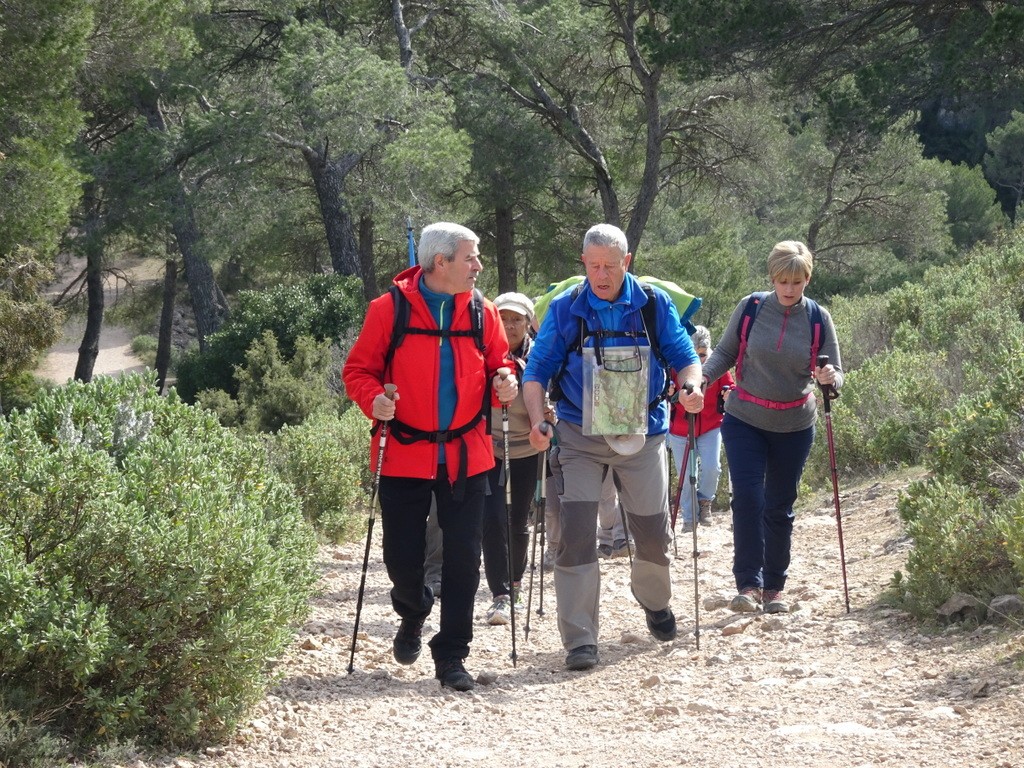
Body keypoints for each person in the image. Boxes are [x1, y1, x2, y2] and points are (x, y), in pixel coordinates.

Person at [342, 222, 518, 692]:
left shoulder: (484, 313)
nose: (479, 266)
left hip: (467, 453)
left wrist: (506, 378)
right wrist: (374, 399)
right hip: (402, 451)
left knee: (464, 558)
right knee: (401, 558)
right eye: (471, 257)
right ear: (440, 262)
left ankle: (452, 657)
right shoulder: (388, 309)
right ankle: (414, 608)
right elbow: (358, 369)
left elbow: (501, 360)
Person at [523, 223, 703, 671]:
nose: (602, 274)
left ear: (627, 262)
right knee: (578, 537)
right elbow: (537, 371)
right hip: (580, 437)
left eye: (611, 265)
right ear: (583, 264)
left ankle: (655, 602)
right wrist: (538, 418)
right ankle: (580, 640)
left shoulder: (653, 305)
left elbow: (685, 358)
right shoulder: (566, 309)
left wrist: (692, 387)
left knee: (652, 535)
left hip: (644, 436)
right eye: (594, 265)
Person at [700, 240, 842, 615]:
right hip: (745, 418)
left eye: (797, 281)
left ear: (807, 279)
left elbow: (836, 374)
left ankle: (775, 588)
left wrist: (830, 378)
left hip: (795, 424)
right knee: (748, 496)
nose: (790, 289)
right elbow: (725, 353)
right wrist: (700, 379)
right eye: (783, 281)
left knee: (779, 506)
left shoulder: (818, 318)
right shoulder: (751, 308)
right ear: (772, 277)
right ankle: (748, 584)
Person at [482, 292, 540, 626]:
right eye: (502, 318)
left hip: (526, 448)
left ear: (528, 322)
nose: (509, 325)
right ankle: (500, 594)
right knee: (491, 520)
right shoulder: (483, 354)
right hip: (488, 448)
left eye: (517, 319)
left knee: (517, 520)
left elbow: (553, 394)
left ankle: (516, 583)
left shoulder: (538, 358)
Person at [668, 325, 735, 533]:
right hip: (680, 428)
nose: (700, 360)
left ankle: (705, 502)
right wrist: (670, 390)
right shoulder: (677, 365)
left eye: (703, 355)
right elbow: (665, 389)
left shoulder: (717, 366)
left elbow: (730, 385)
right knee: (686, 474)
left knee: (712, 467)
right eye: (695, 354)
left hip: (711, 425)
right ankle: (689, 518)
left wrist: (729, 392)